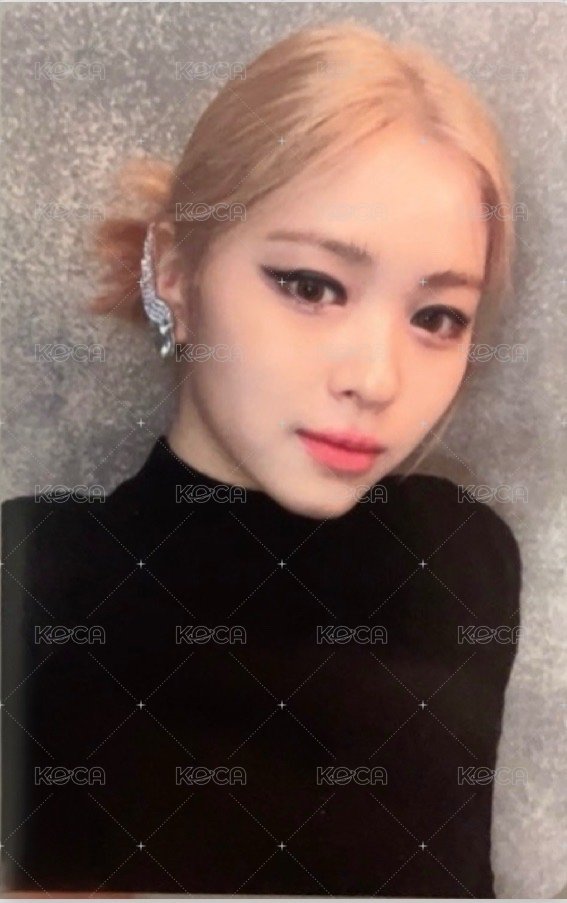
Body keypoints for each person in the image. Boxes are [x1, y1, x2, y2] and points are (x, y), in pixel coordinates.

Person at [1, 21, 522, 896]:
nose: (375, 379)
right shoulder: (28, 577)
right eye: (310, 286)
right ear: (174, 268)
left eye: (436, 317)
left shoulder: (462, 560)